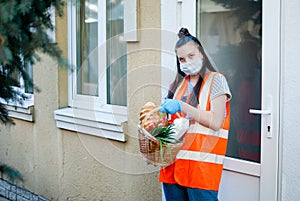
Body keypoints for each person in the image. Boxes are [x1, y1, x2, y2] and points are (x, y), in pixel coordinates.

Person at [159, 28, 232, 201]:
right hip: (172, 166)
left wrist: (182, 106)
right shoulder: (176, 85)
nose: (186, 62)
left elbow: (215, 122)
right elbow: (169, 124)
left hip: (200, 169)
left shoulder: (216, 80)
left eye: (191, 56)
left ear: (201, 54)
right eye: (182, 59)